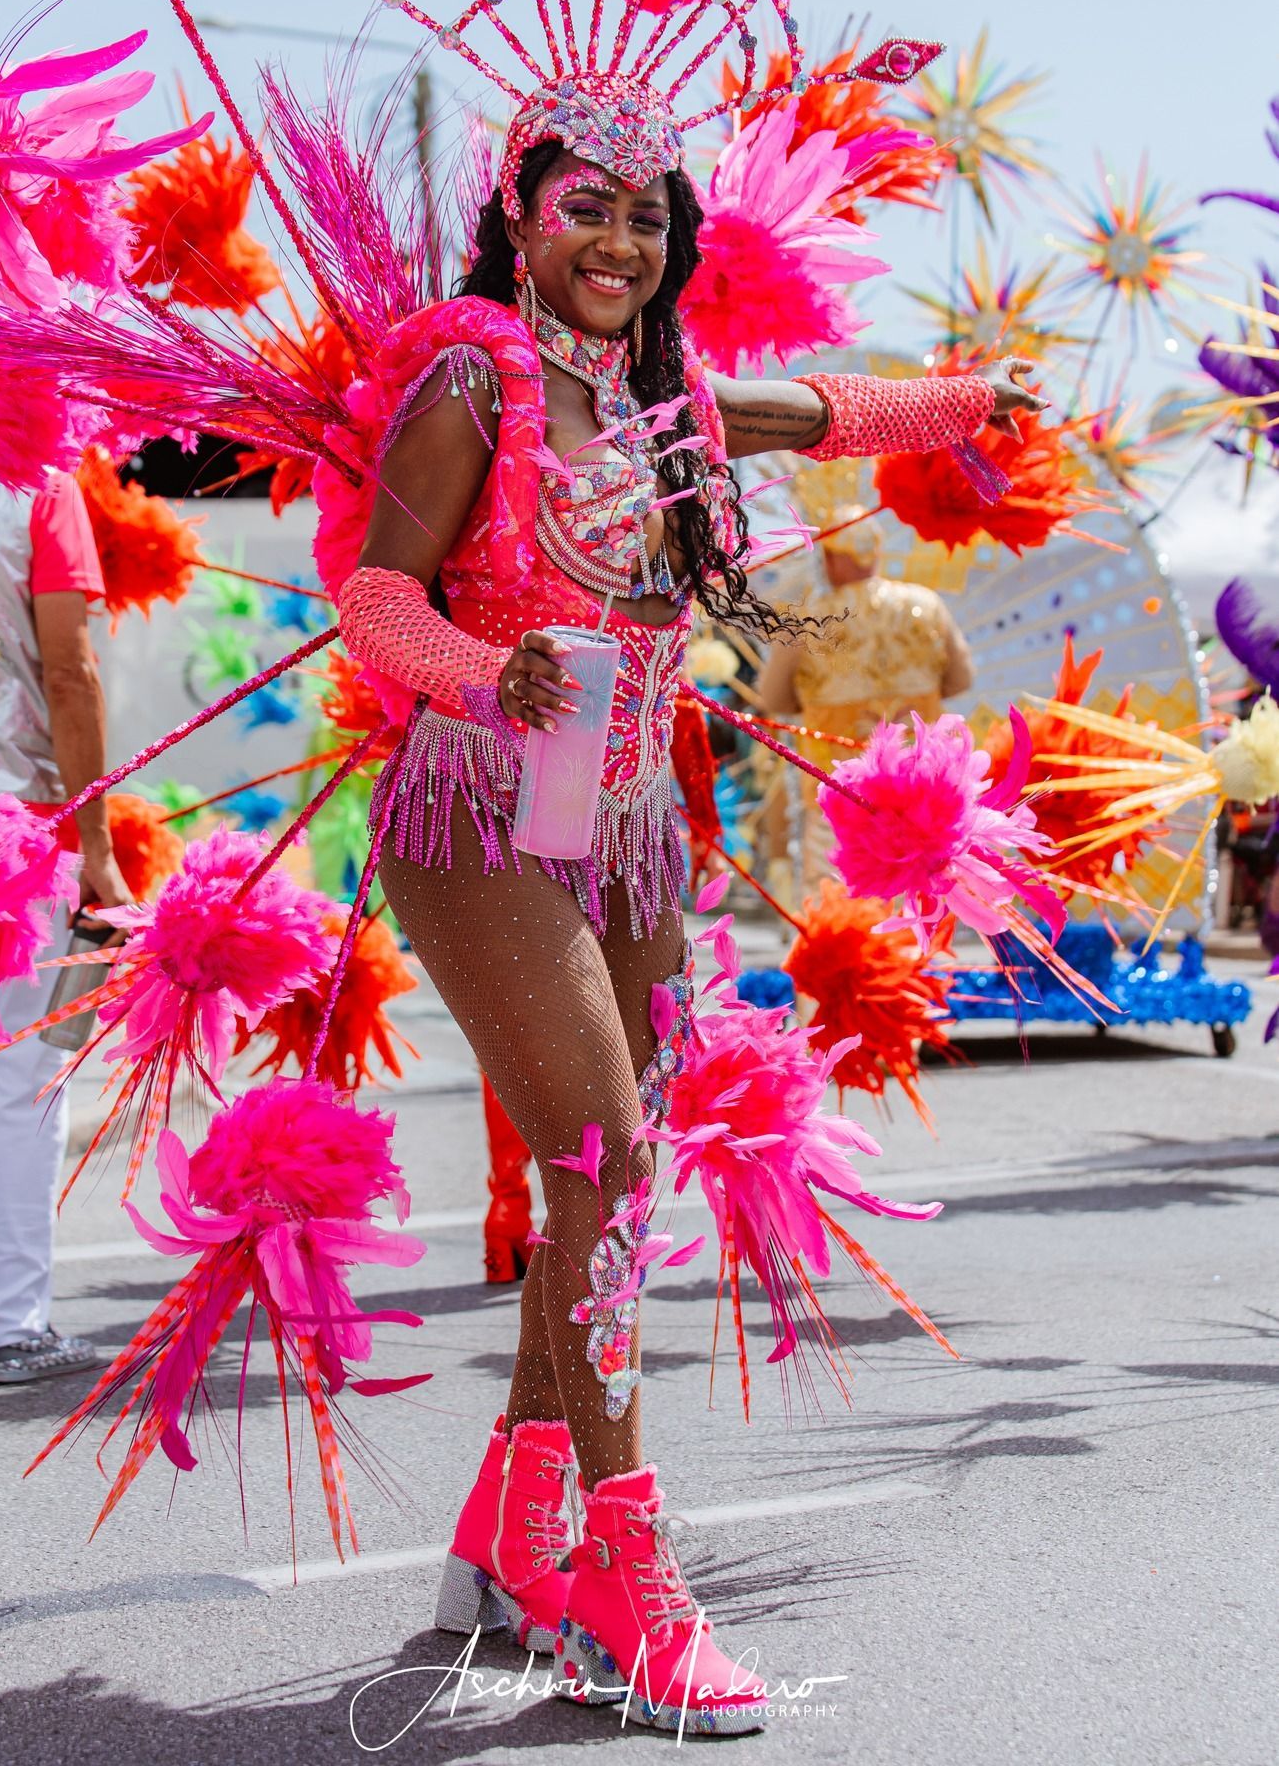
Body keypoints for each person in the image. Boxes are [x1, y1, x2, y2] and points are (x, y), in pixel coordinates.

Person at [335, 123, 1039, 1730]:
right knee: (593, 1145)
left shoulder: (670, 403)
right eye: (583, 209)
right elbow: (378, 591)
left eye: (643, 219)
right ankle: (621, 1581)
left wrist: (962, 403)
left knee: (619, 1169)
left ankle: (513, 1535)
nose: (615, 243)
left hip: (633, 821)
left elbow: (825, 407)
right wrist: (473, 671)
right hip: (482, 808)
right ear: (515, 220)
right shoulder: (476, 384)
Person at [0, 454, 129, 1394]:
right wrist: (98, 842)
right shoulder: (38, 479)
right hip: (11, 828)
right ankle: (9, 1322)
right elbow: (70, 671)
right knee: (29, 1079)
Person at [756, 506, 976, 907]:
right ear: (876, 552)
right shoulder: (926, 604)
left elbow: (772, 699)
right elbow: (961, 680)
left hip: (838, 790)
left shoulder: (809, 620)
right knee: (919, 900)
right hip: (919, 788)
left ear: (830, 558)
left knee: (838, 900)